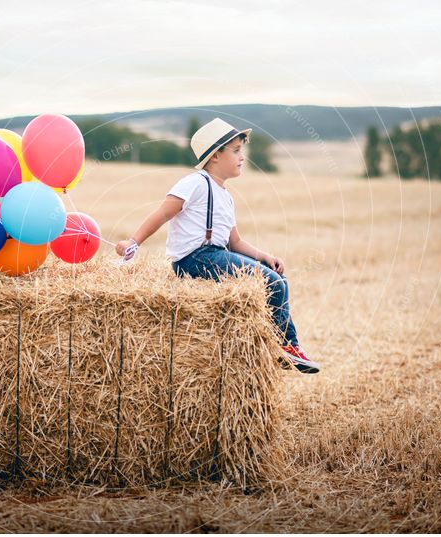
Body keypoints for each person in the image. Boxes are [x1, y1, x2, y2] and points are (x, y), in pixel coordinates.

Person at [115, 118, 320, 373]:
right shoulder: (195, 182)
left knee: (279, 278)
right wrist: (133, 242)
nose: (242, 157)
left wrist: (264, 256)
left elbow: (234, 242)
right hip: (195, 258)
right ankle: (284, 346)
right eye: (235, 151)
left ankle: (283, 346)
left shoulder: (226, 196)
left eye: (241, 151)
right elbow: (162, 214)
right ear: (214, 156)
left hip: (216, 255)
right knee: (271, 282)